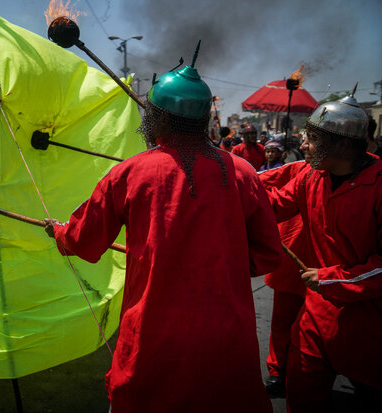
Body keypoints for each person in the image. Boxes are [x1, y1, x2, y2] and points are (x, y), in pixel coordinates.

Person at [44, 60, 283, 412]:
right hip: (225, 333)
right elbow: (267, 254)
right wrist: (217, 266)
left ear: (161, 119)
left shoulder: (130, 173)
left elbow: (83, 240)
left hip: (153, 334)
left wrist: (60, 232)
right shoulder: (243, 172)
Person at [267, 91, 382, 412]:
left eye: (312, 139)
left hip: (370, 322)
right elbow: (273, 206)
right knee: (302, 391)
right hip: (316, 315)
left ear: (344, 145)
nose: (303, 146)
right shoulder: (310, 175)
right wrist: (224, 182)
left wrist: (333, 279)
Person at [258, 160, 309, 398]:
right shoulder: (303, 170)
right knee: (283, 322)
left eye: (313, 139)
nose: (308, 145)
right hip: (295, 260)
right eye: (308, 139)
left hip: (339, 269)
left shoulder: (374, 176)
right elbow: (260, 184)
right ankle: (278, 373)